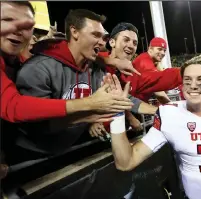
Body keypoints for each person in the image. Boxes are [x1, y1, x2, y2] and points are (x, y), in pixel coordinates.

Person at [104, 56, 201, 199]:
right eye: (187, 80)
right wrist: (116, 113)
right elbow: (126, 162)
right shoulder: (170, 115)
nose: (193, 85)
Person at [0, 2, 138, 124]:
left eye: (27, 26)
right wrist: (89, 104)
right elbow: (14, 107)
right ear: (74, 32)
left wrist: (109, 60)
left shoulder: (22, 58)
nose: (18, 30)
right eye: (7, 20)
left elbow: (60, 50)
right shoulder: (38, 68)